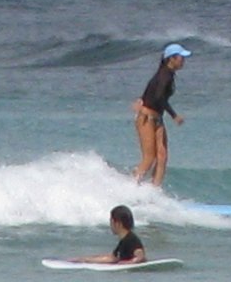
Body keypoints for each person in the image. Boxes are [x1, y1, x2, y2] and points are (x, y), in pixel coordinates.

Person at [132, 43, 190, 186]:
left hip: (157, 118)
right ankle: (131, 186)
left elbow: (151, 90)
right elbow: (158, 97)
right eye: (181, 57)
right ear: (171, 59)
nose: (183, 60)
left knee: (162, 155)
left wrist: (141, 98)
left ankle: (155, 190)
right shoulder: (165, 75)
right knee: (149, 157)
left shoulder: (166, 74)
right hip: (147, 118)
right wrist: (174, 115)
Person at [70, 205, 146, 264]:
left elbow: (140, 255)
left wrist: (129, 263)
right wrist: (84, 259)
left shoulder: (131, 239)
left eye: (111, 221)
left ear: (118, 223)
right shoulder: (124, 240)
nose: (110, 225)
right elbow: (112, 258)